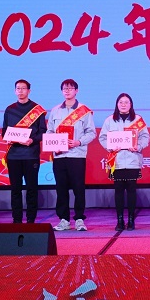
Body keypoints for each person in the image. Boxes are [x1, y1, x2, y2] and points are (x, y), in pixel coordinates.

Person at [47, 79, 96, 232]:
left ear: (76, 91)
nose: (67, 91)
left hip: (77, 155)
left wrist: (78, 142)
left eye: (70, 88)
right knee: (61, 188)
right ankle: (64, 220)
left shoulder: (84, 111)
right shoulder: (55, 110)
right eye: (65, 88)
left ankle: (79, 219)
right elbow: (49, 131)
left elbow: (91, 132)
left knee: (78, 188)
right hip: (59, 156)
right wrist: (54, 142)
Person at [99, 93, 149, 231]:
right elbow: (102, 137)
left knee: (132, 191)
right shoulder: (110, 120)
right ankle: (120, 220)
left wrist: (138, 146)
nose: (123, 105)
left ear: (131, 105)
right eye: (121, 102)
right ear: (117, 104)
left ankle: (131, 220)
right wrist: (110, 147)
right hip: (117, 161)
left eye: (126, 102)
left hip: (133, 159)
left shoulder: (138, 120)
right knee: (118, 191)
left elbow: (145, 136)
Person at [1, 79, 46, 224]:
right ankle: (17, 219)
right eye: (18, 88)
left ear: (29, 91)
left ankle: (31, 219)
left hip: (31, 155)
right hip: (13, 156)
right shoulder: (9, 109)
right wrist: (13, 139)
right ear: (15, 91)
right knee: (15, 189)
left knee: (31, 188)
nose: (20, 91)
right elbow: (5, 131)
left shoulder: (37, 110)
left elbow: (43, 132)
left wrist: (32, 140)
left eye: (23, 88)